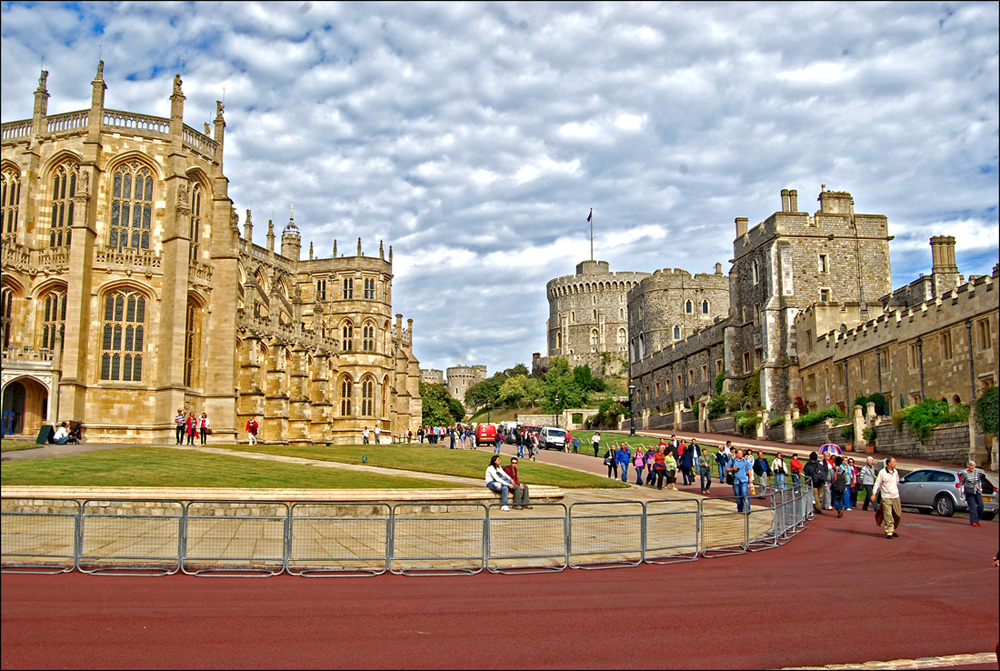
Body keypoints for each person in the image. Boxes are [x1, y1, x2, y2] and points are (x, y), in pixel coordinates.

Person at [871, 456, 902, 539]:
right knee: (888, 515)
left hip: (895, 496)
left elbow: (897, 481)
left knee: (898, 514)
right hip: (886, 497)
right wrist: (874, 494)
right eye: (894, 462)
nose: (895, 464)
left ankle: (893, 528)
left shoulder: (895, 472)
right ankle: (889, 531)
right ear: (889, 464)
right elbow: (877, 483)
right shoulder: (882, 473)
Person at [726, 448, 754, 513]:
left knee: (744, 494)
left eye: (742, 453)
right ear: (736, 454)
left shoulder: (745, 461)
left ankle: (747, 509)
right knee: (738, 495)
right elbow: (727, 469)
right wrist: (732, 469)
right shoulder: (732, 461)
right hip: (736, 481)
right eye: (740, 453)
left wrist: (750, 478)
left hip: (744, 480)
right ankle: (740, 509)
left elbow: (749, 469)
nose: (742, 454)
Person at [960, 460, 985, 526]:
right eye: (971, 465)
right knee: (973, 506)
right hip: (969, 491)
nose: (972, 467)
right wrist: (962, 492)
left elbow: (979, 481)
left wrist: (981, 488)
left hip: (977, 490)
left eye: (973, 465)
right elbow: (962, 483)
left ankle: (978, 519)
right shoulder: (965, 474)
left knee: (981, 505)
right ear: (968, 466)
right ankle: (973, 521)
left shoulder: (976, 472)